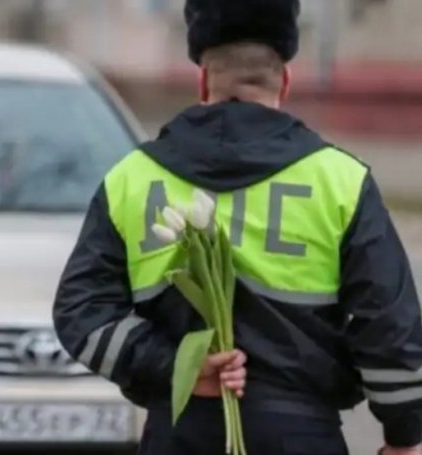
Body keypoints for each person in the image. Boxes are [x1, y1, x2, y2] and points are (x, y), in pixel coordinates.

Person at [52, 0, 422, 454]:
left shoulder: (131, 180)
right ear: (284, 81)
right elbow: (389, 329)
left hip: (179, 434)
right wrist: (403, 437)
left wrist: (177, 369)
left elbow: (81, 312)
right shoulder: (340, 182)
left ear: (203, 79)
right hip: (303, 438)